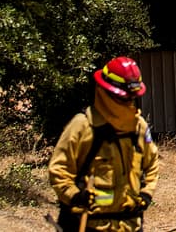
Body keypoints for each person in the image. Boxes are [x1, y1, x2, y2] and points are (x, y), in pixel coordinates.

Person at [49, 56, 160, 231]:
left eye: (131, 98)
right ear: (105, 92)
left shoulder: (138, 127)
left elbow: (152, 164)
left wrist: (146, 193)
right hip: (89, 225)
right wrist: (75, 196)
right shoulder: (83, 126)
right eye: (123, 98)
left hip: (130, 225)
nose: (128, 103)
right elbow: (59, 169)